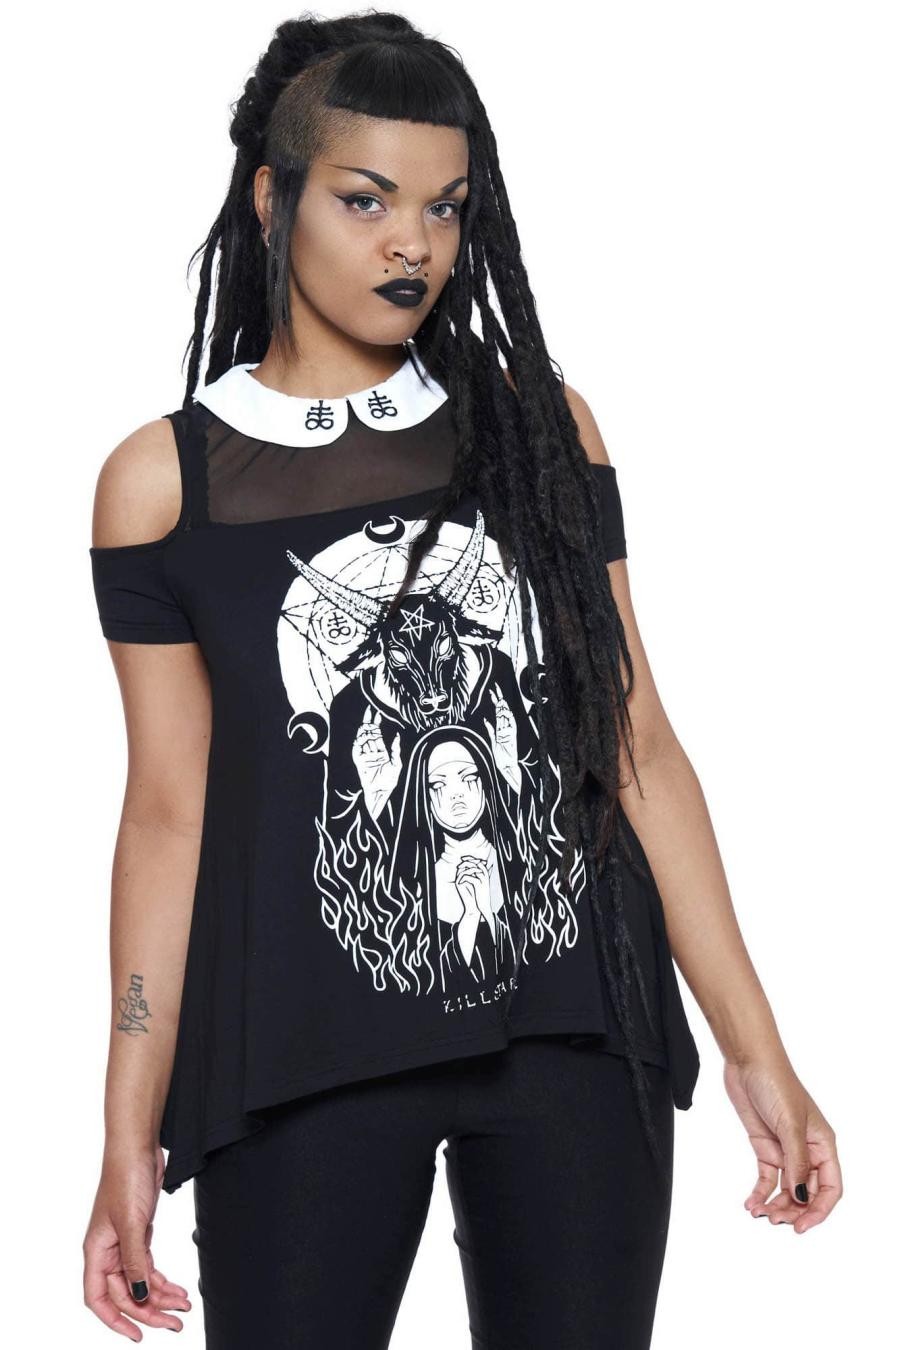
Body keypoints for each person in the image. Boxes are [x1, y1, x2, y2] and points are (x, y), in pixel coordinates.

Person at [81, 12, 844, 1348]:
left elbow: (633, 738)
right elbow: (167, 814)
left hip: (571, 1029)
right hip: (298, 1056)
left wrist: (755, 1048)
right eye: (366, 199)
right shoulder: (163, 485)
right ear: (272, 197)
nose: (412, 246)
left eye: (444, 206)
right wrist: (126, 1132)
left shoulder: (537, 426)